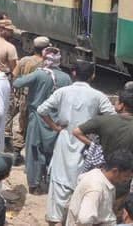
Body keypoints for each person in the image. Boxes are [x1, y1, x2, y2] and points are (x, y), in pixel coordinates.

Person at [38, 60, 116, 225]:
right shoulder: (98, 96)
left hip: (65, 140)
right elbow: (111, 116)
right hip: (87, 144)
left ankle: (54, 219)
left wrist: (55, 127)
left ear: (73, 73)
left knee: (59, 181)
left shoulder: (62, 92)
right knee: (82, 182)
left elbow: (42, 110)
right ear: (93, 76)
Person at [13, 47, 71, 194]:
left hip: (37, 118)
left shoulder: (39, 74)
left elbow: (17, 83)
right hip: (56, 121)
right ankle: (50, 179)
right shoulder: (66, 78)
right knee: (52, 151)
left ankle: (34, 184)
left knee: (34, 150)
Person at [7, 35, 51, 162]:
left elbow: (14, 76)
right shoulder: (46, 64)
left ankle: (16, 152)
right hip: (41, 99)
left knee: (22, 124)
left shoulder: (25, 60)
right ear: (47, 49)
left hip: (23, 98)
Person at [66, 149, 133, 226]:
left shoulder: (99, 176)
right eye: (126, 176)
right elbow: (84, 220)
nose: (127, 180)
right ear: (115, 171)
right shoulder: (96, 188)